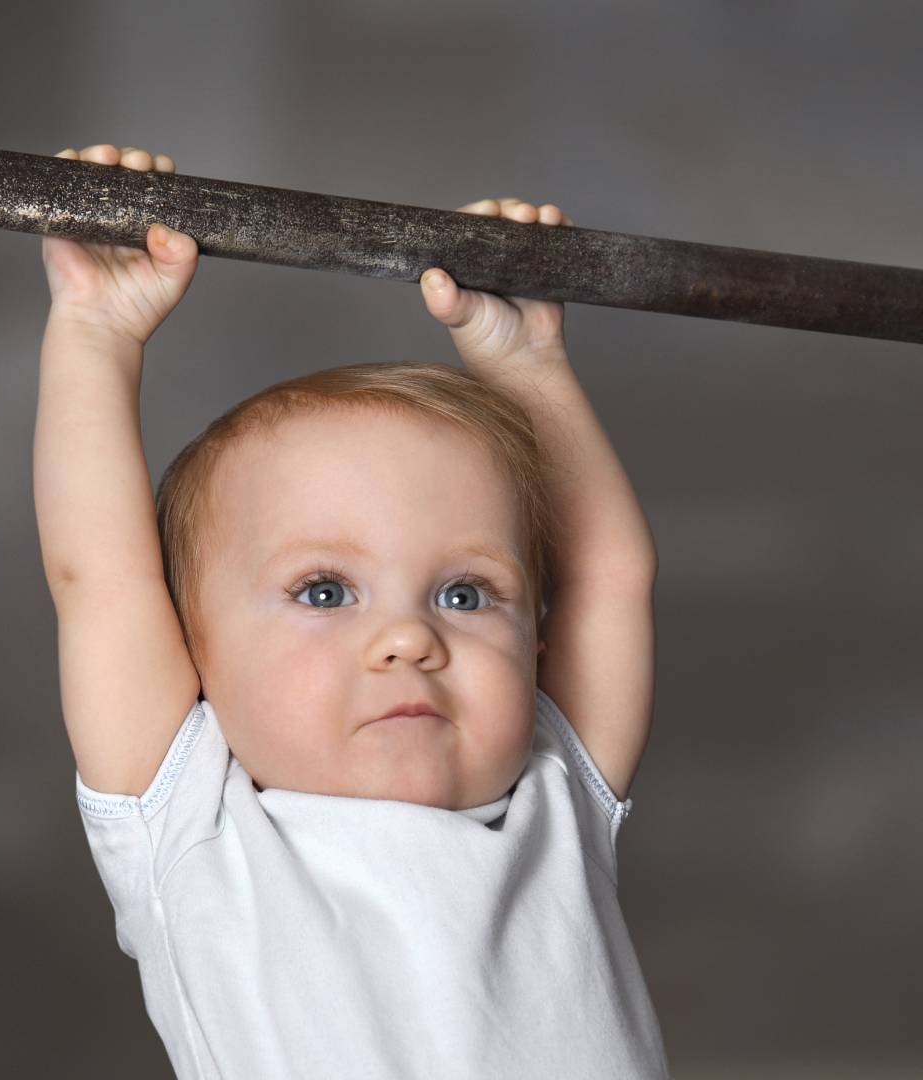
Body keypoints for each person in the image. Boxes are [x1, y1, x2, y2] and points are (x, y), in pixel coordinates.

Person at [34, 142, 669, 1079]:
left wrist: (529, 365)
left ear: (536, 636)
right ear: (191, 645)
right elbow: (101, 578)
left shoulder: (554, 798)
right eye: (324, 592)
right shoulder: (195, 828)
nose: (410, 638)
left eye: (465, 593)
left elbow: (607, 576)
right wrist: (96, 329)